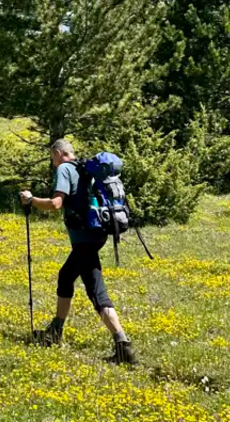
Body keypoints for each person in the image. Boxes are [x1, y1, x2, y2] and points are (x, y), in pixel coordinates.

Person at [19, 140, 136, 364]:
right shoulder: (86, 169)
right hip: (97, 234)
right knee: (65, 277)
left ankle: (123, 346)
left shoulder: (65, 169)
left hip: (84, 240)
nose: (53, 163)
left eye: (52, 158)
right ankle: (55, 332)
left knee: (96, 292)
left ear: (58, 153)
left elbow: (55, 204)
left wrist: (31, 200)